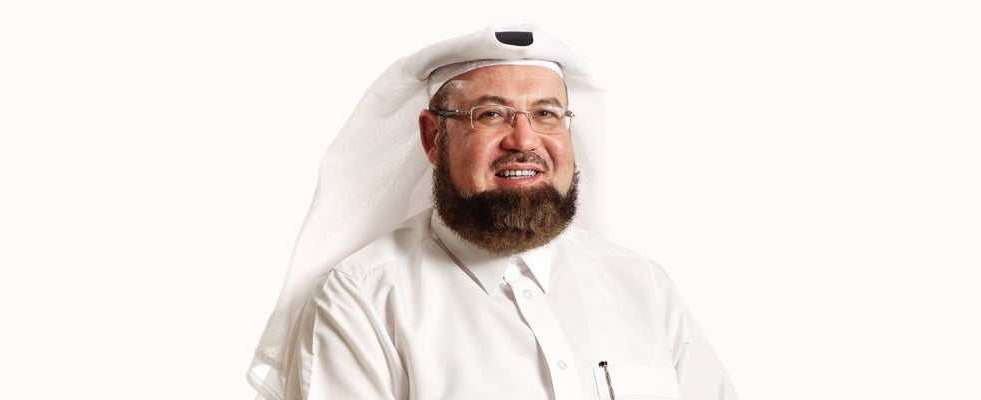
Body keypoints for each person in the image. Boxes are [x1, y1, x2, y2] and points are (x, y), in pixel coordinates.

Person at [248, 24, 735, 400]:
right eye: (491, 114)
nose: (523, 140)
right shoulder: (363, 301)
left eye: (545, 114)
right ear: (433, 138)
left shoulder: (643, 287)